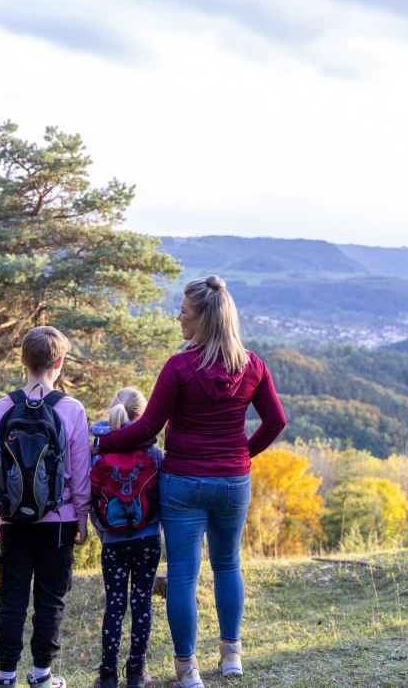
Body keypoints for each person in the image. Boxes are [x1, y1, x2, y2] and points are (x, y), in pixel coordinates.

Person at [96, 275, 285, 688]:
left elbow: (148, 426)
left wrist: (103, 442)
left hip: (183, 481)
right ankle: (231, 656)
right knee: (228, 563)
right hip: (233, 482)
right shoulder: (251, 365)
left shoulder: (180, 366)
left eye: (185, 310)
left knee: (183, 573)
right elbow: (276, 421)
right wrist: (241, 455)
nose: (178, 315)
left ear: (203, 319)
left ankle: (187, 669)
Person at [0, 326, 91, 688]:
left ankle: (5, 674)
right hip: (58, 519)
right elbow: (80, 470)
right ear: (59, 362)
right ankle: (42, 673)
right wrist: (82, 517)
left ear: (22, 360)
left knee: (11, 596)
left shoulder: (4, 407)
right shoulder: (71, 409)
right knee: (50, 597)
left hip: (13, 519)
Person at [89, 388, 163, 688]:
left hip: (113, 542)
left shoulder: (98, 453)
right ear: (142, 416)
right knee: (142, 603)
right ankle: (135, 672)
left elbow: (92, 501)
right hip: (148, 540)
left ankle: (107, 675)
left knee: (114, 606)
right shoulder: (153, 453)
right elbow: (162, 497)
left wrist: (103, 532)